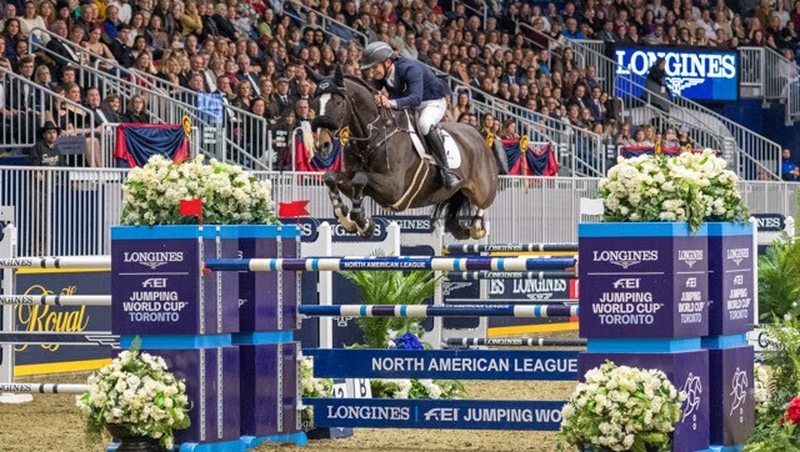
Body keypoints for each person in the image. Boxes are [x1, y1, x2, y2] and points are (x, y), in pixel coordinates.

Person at [360, 41, 458, 188]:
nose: (372, 72)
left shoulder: (410, 69)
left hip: (431, 102)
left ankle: (447, 171)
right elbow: (369, 90)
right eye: (370, 69)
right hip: (408, 104)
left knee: (424, 124)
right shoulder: (383, 73)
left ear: (387, 62)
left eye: (374, 67)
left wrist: (390, 103)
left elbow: (416, 98)